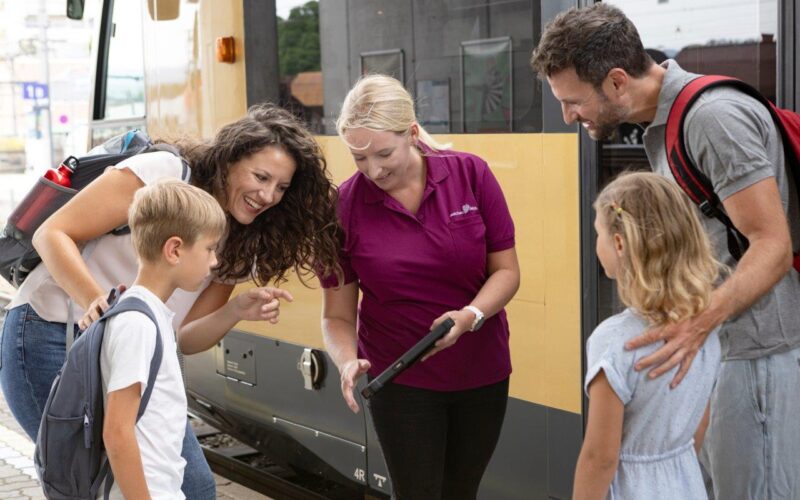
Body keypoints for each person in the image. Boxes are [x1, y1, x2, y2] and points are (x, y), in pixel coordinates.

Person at [0, 104, 342, 499]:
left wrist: (234, 311)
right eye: (260, 176)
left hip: (133, 350)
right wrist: (97, 302)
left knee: (193, 487)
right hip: (50, 333)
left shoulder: (244, 240)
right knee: (86, 481)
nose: (267, 195)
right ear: (229, 160)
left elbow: (185, 337)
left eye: (281, 188)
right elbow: (52, 233)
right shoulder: (164, 173)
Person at [531, 5, 800, 499]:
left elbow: (773, 245)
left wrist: (698, 324)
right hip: (725, 350)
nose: (569, 117)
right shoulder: (666, 124)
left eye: (573, 102)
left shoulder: (712, 119)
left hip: (755, 356)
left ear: (616, 82)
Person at [320, 74, 520, 499]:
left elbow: (506, 272)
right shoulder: (344, 207)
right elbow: (336, 314)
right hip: (399, 378)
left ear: (412, 133)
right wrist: (345, 360)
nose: (373, 170)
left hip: (481, 371)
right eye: (358, 158)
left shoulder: (471, 174)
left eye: (383, 153)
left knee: (462, 491)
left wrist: (470, 317)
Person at [577, 171, 721, 499]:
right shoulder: (703, 330)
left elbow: (599, 458)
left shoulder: (614, 341)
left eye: (597, 232)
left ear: (618, 243)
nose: (596, 243)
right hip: (686, 484)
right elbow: (698, 428)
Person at [103, 180, 226, 499]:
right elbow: (117, 432)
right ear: (174, 250)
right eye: (210, 248)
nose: (214, 261)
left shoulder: (150, 315)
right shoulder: (137, 324)